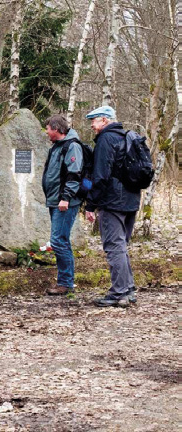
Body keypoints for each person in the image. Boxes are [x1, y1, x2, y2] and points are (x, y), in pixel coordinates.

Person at [84, 106, 140, 307]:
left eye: (94, 120)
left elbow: (100, 176)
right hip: (131, 200)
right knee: (121, 246)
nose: (92, 125)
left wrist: (90, 204)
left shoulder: (106, 140)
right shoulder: (128, 136)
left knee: (114, 247)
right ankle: (128, 290)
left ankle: (119, 293)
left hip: (113, 201)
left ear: (105, 120)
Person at [42, 115, 84, 295]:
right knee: (60, 240)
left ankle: (65, 283)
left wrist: (65, 197)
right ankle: (65, 281)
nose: (46, 132)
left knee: (58, 240)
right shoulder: (57, 147)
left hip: (65, 202)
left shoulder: (72, 146)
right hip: (55, 200)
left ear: (57, 129)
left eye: (48, 129)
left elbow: (74, 175)